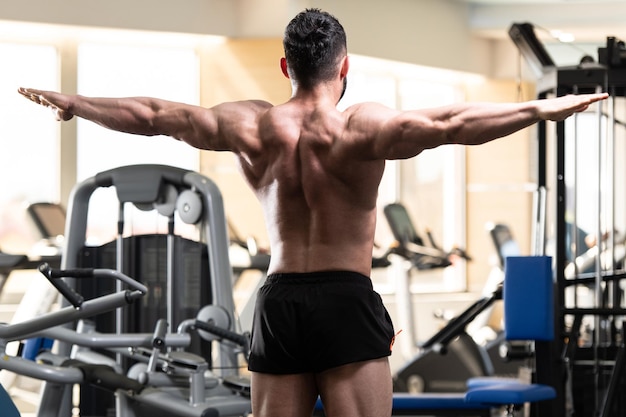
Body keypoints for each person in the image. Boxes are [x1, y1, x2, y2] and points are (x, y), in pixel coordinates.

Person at [18, 8, 607, 417]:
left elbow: (154, 113)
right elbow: (451, 124)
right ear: (344, 66)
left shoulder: (251, 124)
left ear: (285, 67)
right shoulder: (362, 127)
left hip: (278, 303)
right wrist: (542, 109)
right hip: (345, 301)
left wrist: (78, 104)